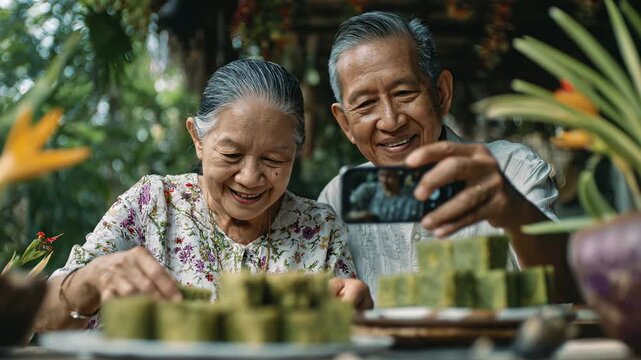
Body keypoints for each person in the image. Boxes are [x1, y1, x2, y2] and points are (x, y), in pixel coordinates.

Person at [35, 59, 373, 331]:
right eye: (231, 155)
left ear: (296, 153)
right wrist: (93, 279)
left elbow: (347, 337)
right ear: (197, 138)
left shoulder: (318, 227)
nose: (250, 177)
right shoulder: (153, 203)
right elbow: (43, 316)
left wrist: (354, 318)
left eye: (274, 160)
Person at [318, 11, 579, 302]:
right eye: (366, 104)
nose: (391, 121)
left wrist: (513, 212)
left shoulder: (510, 168)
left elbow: (566, 288)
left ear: (441, 93)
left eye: (404, 93)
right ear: (345, 124)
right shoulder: (338, 198)